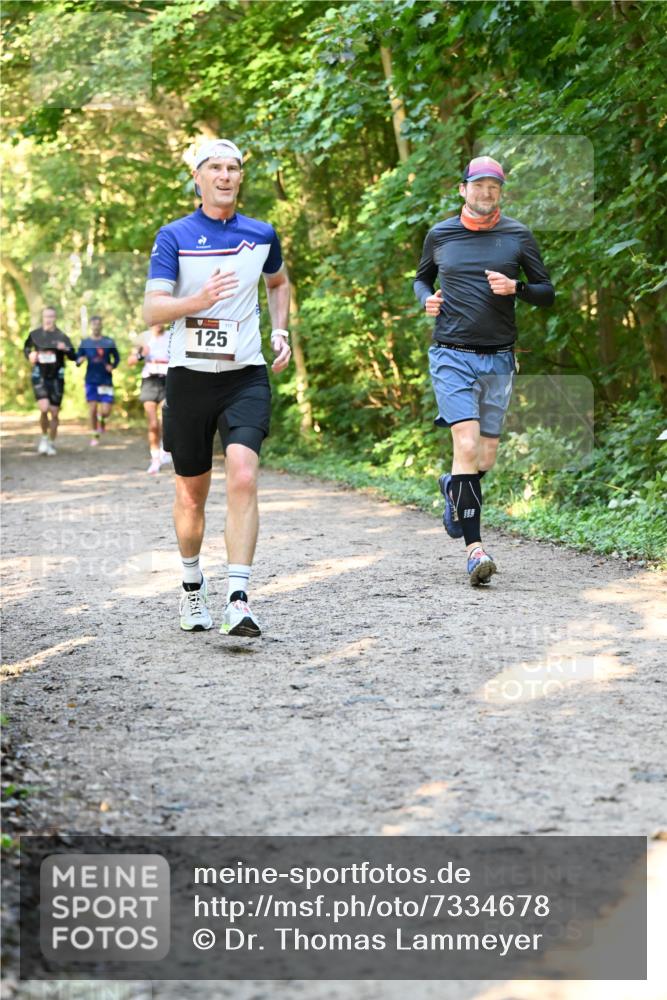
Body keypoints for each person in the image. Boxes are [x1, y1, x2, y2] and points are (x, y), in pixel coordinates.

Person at [143, 138, 291, 636]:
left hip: (245, 375)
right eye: (216, 168)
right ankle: (191, 587)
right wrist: (198, 300)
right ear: (199, 178)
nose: (226, 175)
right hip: (188, 380)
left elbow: (279, 283)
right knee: (191, 495)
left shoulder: (261, 233)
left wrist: (279, 331)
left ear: (240, 178)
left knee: (244, 474)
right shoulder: (174, 236)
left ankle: (239, 598)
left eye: (234, 168)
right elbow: (152, 311)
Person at [414, 155, 555, 585]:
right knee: (467, 442)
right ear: (463, 189)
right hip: (451, 353)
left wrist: (518, 288)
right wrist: (426, 298)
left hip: (498, 357)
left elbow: (547, 292)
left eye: (494, 186)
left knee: (483, 457)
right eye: (478, 185)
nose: (486, 192)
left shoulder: (517, 235)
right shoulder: (440, 234)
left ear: (501, 192)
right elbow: (422, 278)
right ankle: (475, 551)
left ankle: (453, 487)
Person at [23, 306, 76, 455]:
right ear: (42, 317)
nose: (49, 319)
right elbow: (26, 349)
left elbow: (73, 355)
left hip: (57, 378)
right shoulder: (35, 334)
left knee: (54, 412)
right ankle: (44, 438)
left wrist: (65, 348)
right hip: (39, 376)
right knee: (44, 408)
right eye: (46, 316)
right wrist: (30, 355)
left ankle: (51, 442)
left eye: (52, 316)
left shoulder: (62, 336)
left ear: (55, 318)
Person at [128, 323, 172, 474]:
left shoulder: (171, 335)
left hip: (168, 379)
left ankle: (166, 449)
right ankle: (155, 459)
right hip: (150, 381)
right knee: (153, 424)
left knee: (167, 419)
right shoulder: (144, 338)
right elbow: (130, 361)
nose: (158, 323)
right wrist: (141, 354)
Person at [75, 315, 120, 446]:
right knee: (93, 409)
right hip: (91, 380)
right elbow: (77, 359)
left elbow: (116, 358)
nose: (96, 326)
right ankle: (95, 434)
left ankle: (102, 421)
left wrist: (112, 366)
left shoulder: (108, 342)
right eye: (94, 324)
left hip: (105, 379)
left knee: (106, 411)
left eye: (98, 324)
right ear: (91, 326)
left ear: (101, 326)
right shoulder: (85, 343)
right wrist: (80, 360)